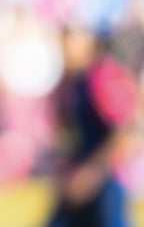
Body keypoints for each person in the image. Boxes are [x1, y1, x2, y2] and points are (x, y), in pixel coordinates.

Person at [44, 26, 141, 227]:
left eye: (73, 38)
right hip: (77, 179)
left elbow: (128, 131)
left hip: (106, 180)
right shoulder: (72, 81)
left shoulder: (103, 77)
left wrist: (91, 174)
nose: (66, 46)